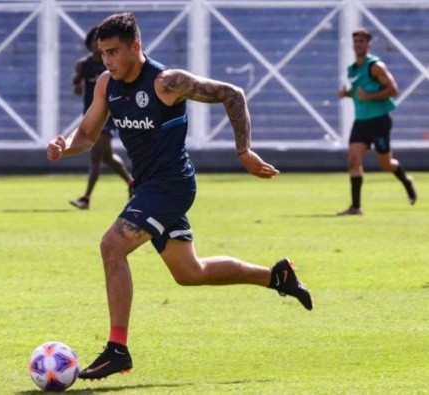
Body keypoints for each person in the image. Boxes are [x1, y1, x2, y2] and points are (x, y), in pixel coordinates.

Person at [47, 12, 313, 380]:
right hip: (148, 188)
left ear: (135, 47)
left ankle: (117, 349)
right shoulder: (107, 84)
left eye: (113, 52)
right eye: (102, 53)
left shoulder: (166, 82)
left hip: (171, 186)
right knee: (190, 273)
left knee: (112, 247)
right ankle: (277, 277)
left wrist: (244, 152)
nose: (106, 60)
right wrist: (65, 146)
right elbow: (88, 134)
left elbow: (231, 94)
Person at [337, 28, 417, 216]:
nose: (358, 44)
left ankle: (406, 180)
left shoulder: (375, 66)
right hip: (361, 122)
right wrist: (346, 94)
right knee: (354, 161)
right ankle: (356, 207)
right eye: (356, 41)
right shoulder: (352, 69)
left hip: (379, 121)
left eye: (362, 41)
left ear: (369, 44)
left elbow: (393, 90)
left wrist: (370, 96)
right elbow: (359, 91)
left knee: (386, 163)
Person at [69, 26, 134, 210]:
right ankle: (132, 183)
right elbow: (76, 83)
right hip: (90, 116)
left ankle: (86, 198)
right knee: (108, 158)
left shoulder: (110, 65)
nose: (96, 46)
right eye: (93, 42)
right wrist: (78, 88)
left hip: (108, 116)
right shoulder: (84, 65)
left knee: (96, 156)